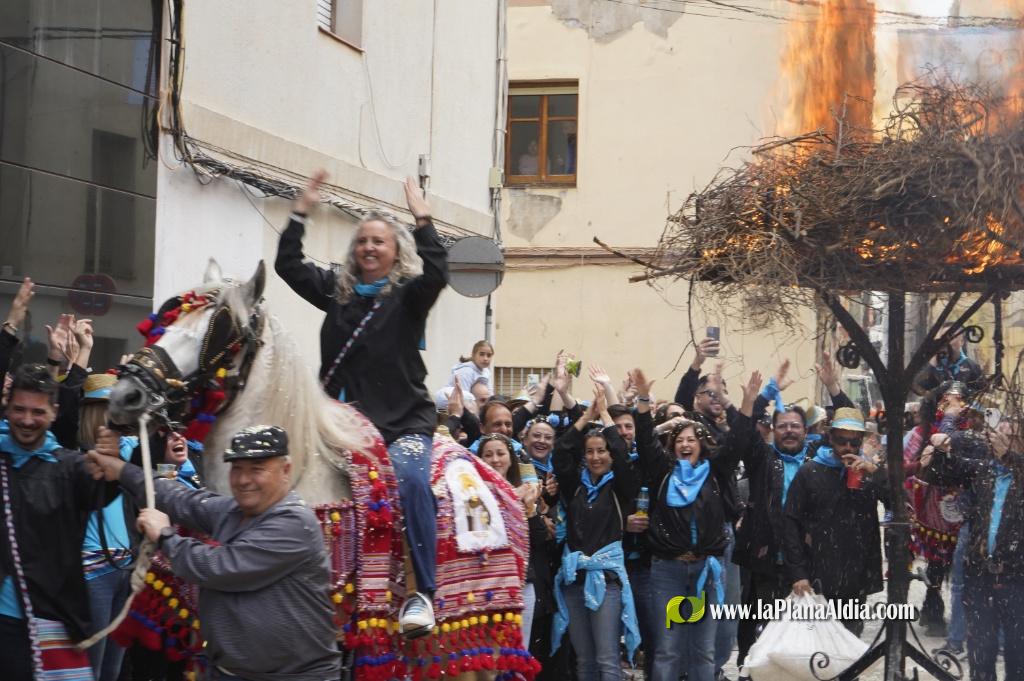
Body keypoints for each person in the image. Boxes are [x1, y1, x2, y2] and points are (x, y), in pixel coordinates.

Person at [275, 170, 447, 635]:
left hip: (402, 425)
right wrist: (300, 210)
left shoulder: (409, 298)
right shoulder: (336, 292)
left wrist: (422, 217)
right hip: (338, 425)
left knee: (410, 480)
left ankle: (422, 595)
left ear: (396, 253)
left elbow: (438, 272)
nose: (369, 247)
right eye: (363, 241)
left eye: (379, 242)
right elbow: (288, 266)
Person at [88, 425, 341, 681]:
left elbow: (221, 567)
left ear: (285, 470)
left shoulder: (293, 521)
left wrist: (165, 536)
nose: (243, 480)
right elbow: (181, 499)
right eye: (237, 468)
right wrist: (120, 469)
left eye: (256, 469)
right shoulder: (233, 511)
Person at [632, 367, 759, 681]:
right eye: (680, 440)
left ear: (702, 444)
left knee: (703, 649)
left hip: (707, 570)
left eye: (692, 439)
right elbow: (646, 444)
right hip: (668, 572)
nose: (685, 444)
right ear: (673, 445)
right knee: (667, 649)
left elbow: (738, 442)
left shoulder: (715, 471)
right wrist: (644, 401)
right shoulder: (664, 471)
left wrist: (747, 403)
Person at [0, 364, 121, 681]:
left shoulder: (71, 468)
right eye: (19, 409)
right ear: (7, 408)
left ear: (54, 412)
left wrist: (112, 467)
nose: (27, 420)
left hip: (50, 622)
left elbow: (102, 491)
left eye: (37, 412)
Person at [550, 387, 641, 681]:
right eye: (589, 451)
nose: (595, 457)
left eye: (601, 450)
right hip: (574, 577)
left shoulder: (621, 485)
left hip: (606, 580)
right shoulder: (574, 485)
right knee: (585, 661)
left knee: (607, 659)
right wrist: (585, 418)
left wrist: (604, 416)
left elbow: (624, 457)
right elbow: (562, 452)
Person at [920, 425, 1023, 681]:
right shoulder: (983, 470)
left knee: (1017, 653)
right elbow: (940, 473)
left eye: (1009, 437)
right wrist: (940, 452)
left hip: (1017, 578)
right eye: (997, 435)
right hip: (980, 576)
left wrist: (1011, 457)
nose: (1000, 441)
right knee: (981, 651)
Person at [785, 407, 887, 635]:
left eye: (854, 442)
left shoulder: (868, 473)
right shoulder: (810, 471)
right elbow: (790, 522)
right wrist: (798, 573)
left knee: (849, 643)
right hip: (818, 573)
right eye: (842, 441)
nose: (848, 448)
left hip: (855, 575)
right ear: (830, 438)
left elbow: (897, 502)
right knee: (817, 646)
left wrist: (874, 473)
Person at [77, 373, 139, 681]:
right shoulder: (74, 458)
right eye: (107, 410)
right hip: (92, 569)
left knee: (113, 668)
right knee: (93, 664)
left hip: (125, 565)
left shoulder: (128, 449)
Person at [478, 433, 549, 648]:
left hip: (521, 585)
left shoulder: (526, 491)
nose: (495, 459)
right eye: (488, 455)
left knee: (518, 653)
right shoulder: (472, 494)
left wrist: (529, 508)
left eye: (501, 453)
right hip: (485, 586)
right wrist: (510, 499)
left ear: (510, 458)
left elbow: (540, 539)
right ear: (479, 460)